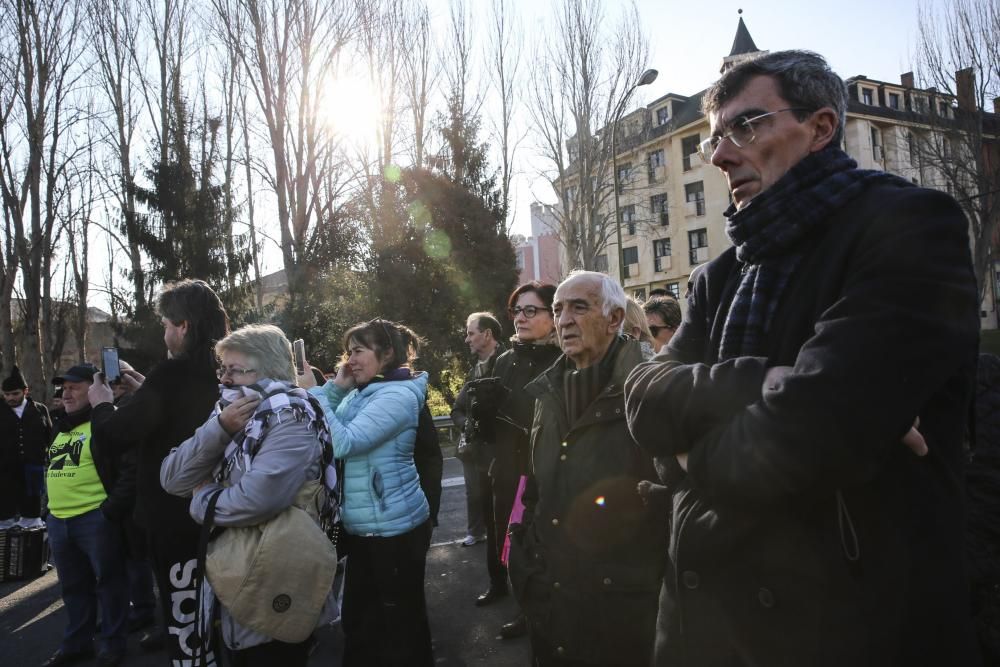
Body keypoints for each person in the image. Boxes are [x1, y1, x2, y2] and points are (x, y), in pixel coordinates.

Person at [624, 50, 981, 666]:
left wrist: (686, 454)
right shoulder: (722, 273)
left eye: (746, 125)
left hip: (847, 624)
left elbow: (813, 436)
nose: (720, 155)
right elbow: (643, 400)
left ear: (819, 128)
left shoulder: (908, 225)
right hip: (703, 626)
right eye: (715, 139)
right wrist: (761, 380)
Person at [508, 272, 665, 666]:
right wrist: (524, 564)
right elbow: (535, 487)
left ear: (614, 319)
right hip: (552, 601)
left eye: (580, 307)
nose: (564, 320)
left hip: (624, 615)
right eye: (558, 309)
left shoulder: (651, 390)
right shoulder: (546, 393)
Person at [160, 324, 336, 666]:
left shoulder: (290, 415)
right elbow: (172, 478)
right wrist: (220, 429)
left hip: (273, 574)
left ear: (269, 370)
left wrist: (203, 497)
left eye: (235, 370)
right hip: (234, 571)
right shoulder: (231, 413)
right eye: (222, 369)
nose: (224, 380)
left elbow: (257, 501)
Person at [89, 279, 230, 664]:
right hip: (216, 512)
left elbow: (114, 434)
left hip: (174, 520)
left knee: (186, 624)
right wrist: (146, 390)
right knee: (212, 616)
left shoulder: (171, 376)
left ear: (184, 325)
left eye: (167, 323)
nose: (164, 331)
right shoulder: (225, 374)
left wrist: (100, 405)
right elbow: (171, 415)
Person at [299, 319, 434, 666]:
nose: (349, 360)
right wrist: (335, 390)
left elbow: (343, 442)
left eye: (358, 351)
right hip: (366, 525)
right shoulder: (367, 390)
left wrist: (315, 391)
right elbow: (329, 429)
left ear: (387, 353)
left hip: (393, 529)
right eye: (348, 351)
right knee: (361, 622)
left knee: (400, 627)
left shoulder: (398, 395)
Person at [470, 282, 562, 640]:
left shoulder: (562, 358)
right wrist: (484, 416)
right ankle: (502, 585)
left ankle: (532, 612)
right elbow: (490, 425)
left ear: (552, 318)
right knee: (501, 534)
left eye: (530, 311)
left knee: (533, 543)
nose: (520, 318)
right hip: (505, 466)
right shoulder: (505, 358)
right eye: (516, 311)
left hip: (539, 470)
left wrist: (510, 410)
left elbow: (551, 419)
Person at [42, 364, 130, 667]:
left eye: (74, 387)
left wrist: (109, 511)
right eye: (63, 388)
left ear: (93, 390)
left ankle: (113, 644)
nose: (65, 394)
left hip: (96, 519)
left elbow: (128, 472)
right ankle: (77, 643)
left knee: (109, 584)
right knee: (73, 588)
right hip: (59, 520)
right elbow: (51, 467)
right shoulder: (60, 425)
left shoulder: (106, 423)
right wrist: (47, 510)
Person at [451, 312, 505, 549]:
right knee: (474, 494)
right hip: (474, 450)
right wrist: (467, 425)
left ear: (487, 335)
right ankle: (477, 531)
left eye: (471, 333)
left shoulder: (509, 364)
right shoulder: (474, 372)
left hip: (501, 448)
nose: (467, 339)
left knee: (502, 497)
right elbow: (457, 410)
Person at [0, 366, 52, 529]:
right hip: (5, 469)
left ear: (25, 391)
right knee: (4, 512)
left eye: (15, 394)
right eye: (6, 394)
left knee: (32, 511)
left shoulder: (39, 409)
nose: (10, 398)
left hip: (33, 467)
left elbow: (50, 436)